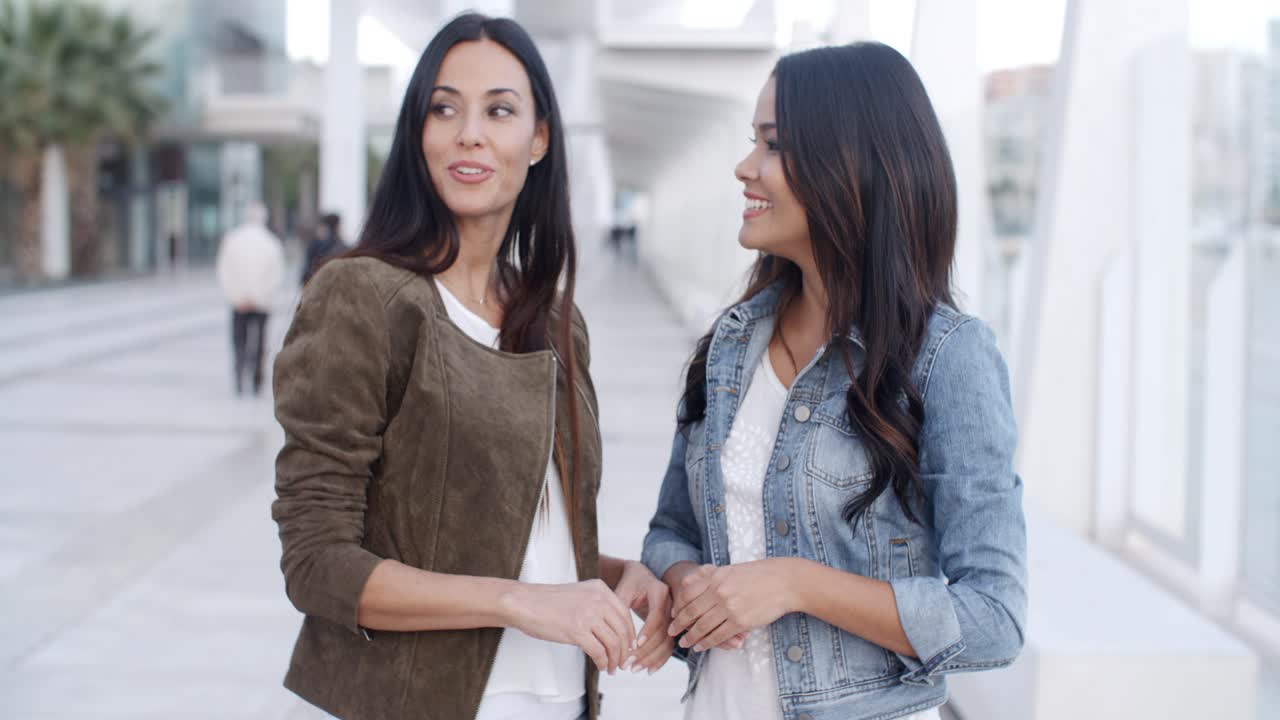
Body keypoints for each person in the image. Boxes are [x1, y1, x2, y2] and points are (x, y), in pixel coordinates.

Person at [271, 14, 673, 720]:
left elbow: (516, 534)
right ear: (417, 133)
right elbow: (317, 564)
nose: (469, 134)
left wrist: (609, 577)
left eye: (500, 110)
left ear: (540, 138)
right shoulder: (362, 295)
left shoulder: (553, 321)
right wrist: (522, 603)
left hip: (561, 700)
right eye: (444, 107)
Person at [642, 42, 1028, 720]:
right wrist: (689, 586)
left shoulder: (947, 360)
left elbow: (995, 618)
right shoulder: (731, 345)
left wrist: (794, 584)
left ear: (854, 164)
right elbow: (670, 532)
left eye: (774, 145)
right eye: (751, 142)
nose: (745, 167)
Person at [215, 203, 284, 396]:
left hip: (238, 302)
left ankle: (239, 375)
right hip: (262, 303)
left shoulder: (232, 240)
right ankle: (256, 377)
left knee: (239, 341)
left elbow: (224, 271)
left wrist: (236, 296)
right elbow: (276, 275)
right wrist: (260, 296)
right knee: (260, 341)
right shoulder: (272, 243)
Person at [300, 212, 344, 285]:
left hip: (317, 284)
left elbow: (307, 269)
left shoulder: (315, 244)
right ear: (338, 226)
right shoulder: (342, 246)